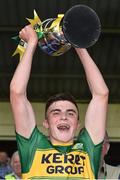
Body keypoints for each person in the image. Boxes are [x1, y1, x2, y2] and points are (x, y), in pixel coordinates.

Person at [10, 25, 109, 179]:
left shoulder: (88, 148)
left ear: (77, 123)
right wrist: (31, 43)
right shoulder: (33, 145)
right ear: (46, 123)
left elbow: (101, 94)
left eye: (70, 113)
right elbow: (17, 93)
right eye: (56, 113)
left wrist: (78, 44)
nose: (64, 117)